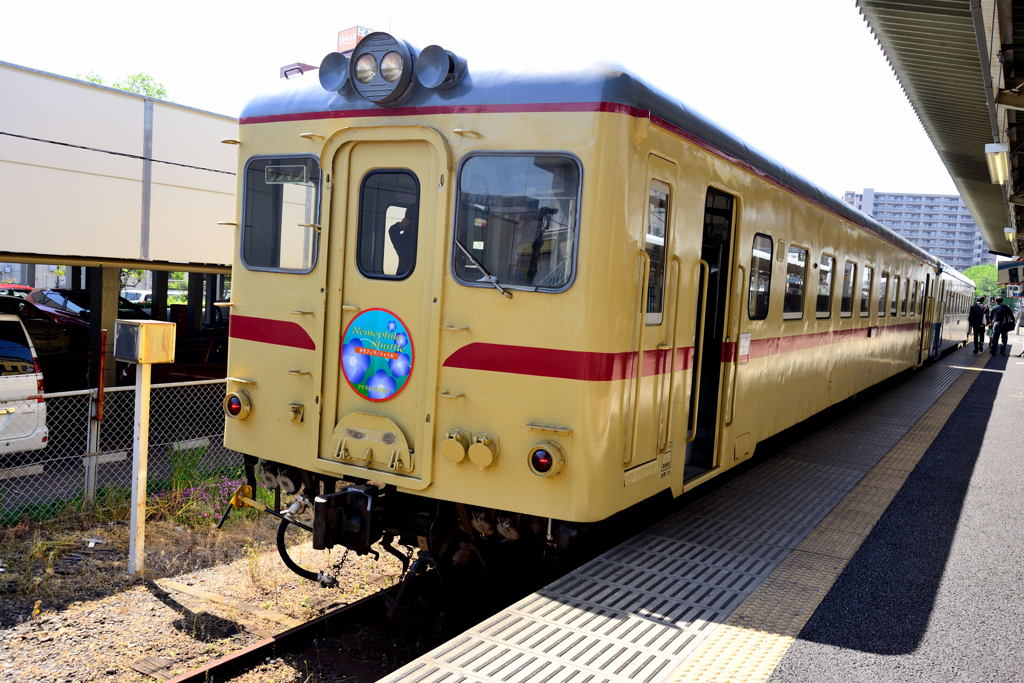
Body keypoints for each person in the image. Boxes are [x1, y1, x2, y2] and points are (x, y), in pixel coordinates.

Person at [388, 206, 418, 276]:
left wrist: (401, 226)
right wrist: (401, 226)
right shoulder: (404, 240)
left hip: (403, 274)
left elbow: (392, 231)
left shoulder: (402, 240)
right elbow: (392, 231)